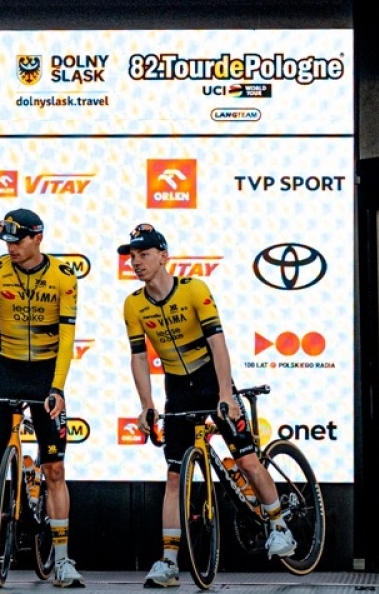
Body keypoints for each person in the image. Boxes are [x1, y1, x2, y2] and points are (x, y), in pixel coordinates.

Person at [122, 223, 295, 589]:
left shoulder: (194, 289)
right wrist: (146, 404)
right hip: (177, 388)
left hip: (210, 380)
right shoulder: (133, 304)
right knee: (174, 477)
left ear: (163, 256)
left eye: (143, 254)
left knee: (246, 460)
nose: (136, 262)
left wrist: (226, 395)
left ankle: (280, 526)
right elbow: (139, 357)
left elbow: (218, 344)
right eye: (132, 256)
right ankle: (168, 562)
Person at [0, 209, 84, 588]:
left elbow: (68, 338)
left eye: (18, 240)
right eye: (6, 241)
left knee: (54, 471)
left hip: (45, 375)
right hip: (7, 373)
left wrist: (58, 388)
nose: (11, 248)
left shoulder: (63, 276)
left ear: (38, 238)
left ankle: (62, 561)